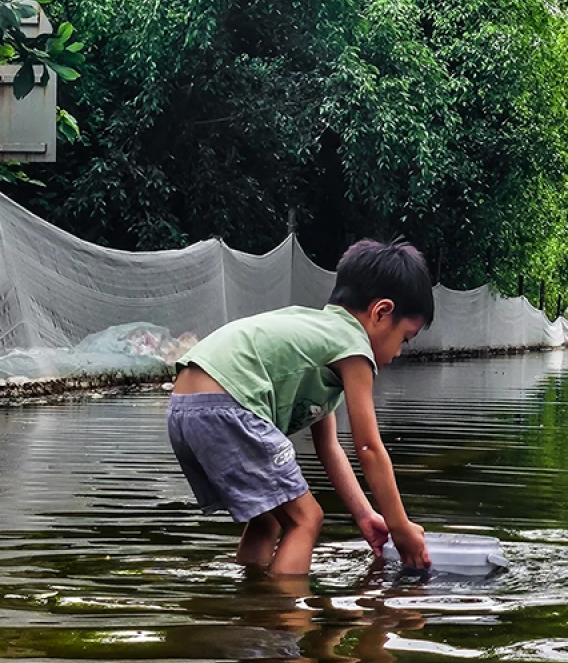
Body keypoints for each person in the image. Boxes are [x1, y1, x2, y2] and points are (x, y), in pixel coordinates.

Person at [167, 238, 433, 575]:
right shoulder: (353, 348)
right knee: (307, 518)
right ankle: (288, 620)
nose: (398, 353)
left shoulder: (320, 336)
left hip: (185, 406)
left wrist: (367, 516)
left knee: (269, 519)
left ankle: (250, 606)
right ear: (381, 313)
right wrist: (400, 527)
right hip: (227, 403)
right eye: (404, 339)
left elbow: (329, 447)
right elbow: (368, 446)